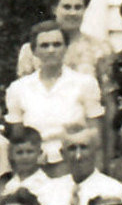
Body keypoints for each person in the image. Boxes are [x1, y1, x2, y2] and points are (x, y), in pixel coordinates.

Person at [6, 23, 106, 164]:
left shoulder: (85, 83)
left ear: (66, 48)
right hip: (34, 166)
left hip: (73, 164)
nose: (51, 50)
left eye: (57, 44)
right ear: (34, 51)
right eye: (44, 45)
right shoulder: (18, 88)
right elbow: (17, 139)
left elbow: (96, 138)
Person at [15, 0, 112, 81]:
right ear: (54, 9)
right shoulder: (31, 50)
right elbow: (23, 90)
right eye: (67, 7)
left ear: (85, 9)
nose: (72, 13)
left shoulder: (100, 49)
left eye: (78, 7)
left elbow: (107, 91)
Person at [58, 125, 122, 205]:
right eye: (72, 149)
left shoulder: (114, 189)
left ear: (96, 151)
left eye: (84, 147)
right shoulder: (51, 189)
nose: (78, 156)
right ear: (62, 154)